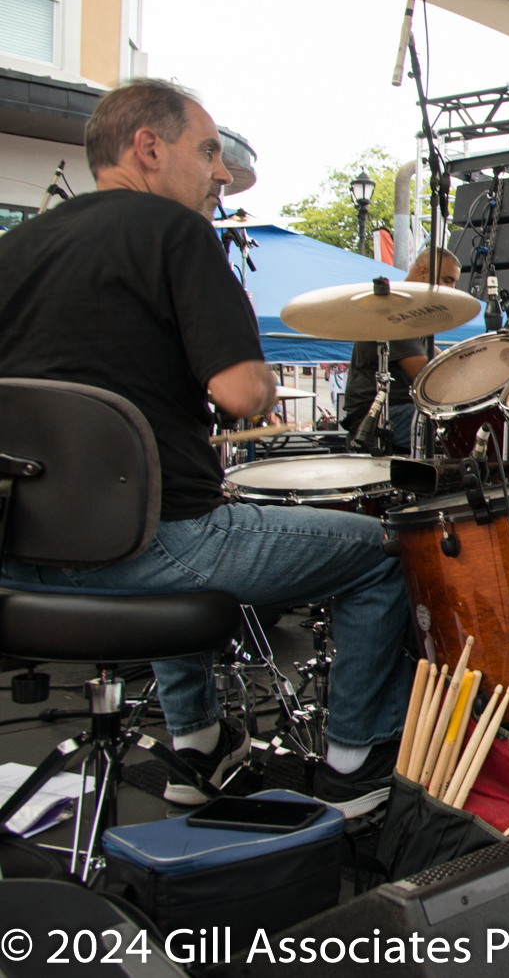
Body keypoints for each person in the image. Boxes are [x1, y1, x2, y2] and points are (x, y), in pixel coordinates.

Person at [0, 79, 410, 814]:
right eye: (209, 151)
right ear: (148, 149)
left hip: (24, 561)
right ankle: (354, 769)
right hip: (155, 553)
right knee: (380, 551)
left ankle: (195, 746)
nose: (222, 173)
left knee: (144, 513)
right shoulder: (176, 233)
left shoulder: (16, 247)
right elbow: (242, 394)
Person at [341, 245, 459, 453]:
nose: (453, 290)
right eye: (447, 280)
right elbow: (425, 376)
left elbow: (439, 357)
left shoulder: (415, 312)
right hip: (376, 413)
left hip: (404, 408)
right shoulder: (395, 309)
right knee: (458, 431)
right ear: (423, 273)